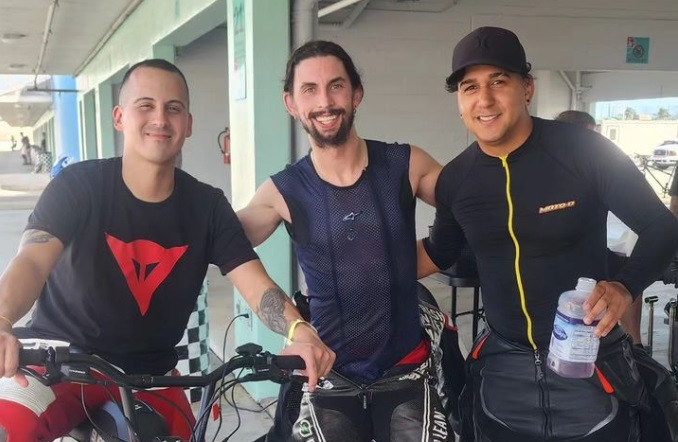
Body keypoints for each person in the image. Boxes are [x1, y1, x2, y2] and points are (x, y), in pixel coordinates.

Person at [0, 59, 334, 440]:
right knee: (9, 426)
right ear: (120, 116)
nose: (160, 119)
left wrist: (298, 329)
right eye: (145, 105)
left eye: (173, 108)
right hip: (58, 362)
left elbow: (256, 284)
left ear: (188, 124)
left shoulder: (207, 207)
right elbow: (30, 261)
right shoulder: (79, 186)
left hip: (150, 376)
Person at [418, 26, 678, 441]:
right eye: (470, 87)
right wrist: (359, 267)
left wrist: (626, 287)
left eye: (498, 82)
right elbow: (439, 250)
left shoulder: (584, 151)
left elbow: (661, 226)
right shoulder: (456, 180)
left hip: (590, 361)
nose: (484, 100)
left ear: (527, 88)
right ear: (459, 101)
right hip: (503, 367)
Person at [237, 40, 450, 441]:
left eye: (336, 86)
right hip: (328, 375)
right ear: (291, 104)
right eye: (309, 90)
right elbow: (223, 241)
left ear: (356, 94)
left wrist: (427, 257)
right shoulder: (283, 191)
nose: (325, 102)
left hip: (406, 370)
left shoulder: (405, 164)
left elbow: (471, 205)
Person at [555, 109, 644, 346]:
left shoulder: (591, 165)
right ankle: (633, 343)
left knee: (628, 274)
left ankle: (631, 342)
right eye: (590, 137)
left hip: (586, 250)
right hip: (571, 257)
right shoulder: (571, 167)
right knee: (625, 276)